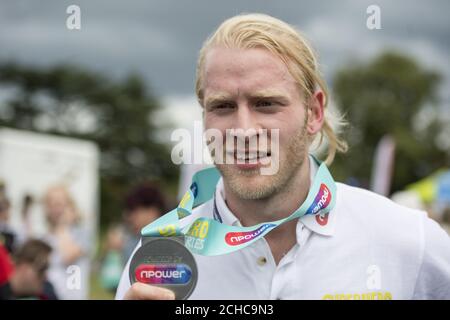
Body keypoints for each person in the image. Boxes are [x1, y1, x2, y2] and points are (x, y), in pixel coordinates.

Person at [116, 13, 450, 300]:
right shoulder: (158, 260)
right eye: (223, 106)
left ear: (314, 112)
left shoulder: (408, 241)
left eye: (266, 104)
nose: (244, 131)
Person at [42, 184, 90, 300]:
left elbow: (68, 256)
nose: (56, 208)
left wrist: (63, 225)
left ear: (70, 206)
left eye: (59, 203)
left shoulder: (82, 233)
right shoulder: (43, 238)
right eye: (51, 204)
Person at [122, 182, 167, 263]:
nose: (129, 217)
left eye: (133, 210)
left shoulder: (172, 245)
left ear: (152, 212)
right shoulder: (131, 242)